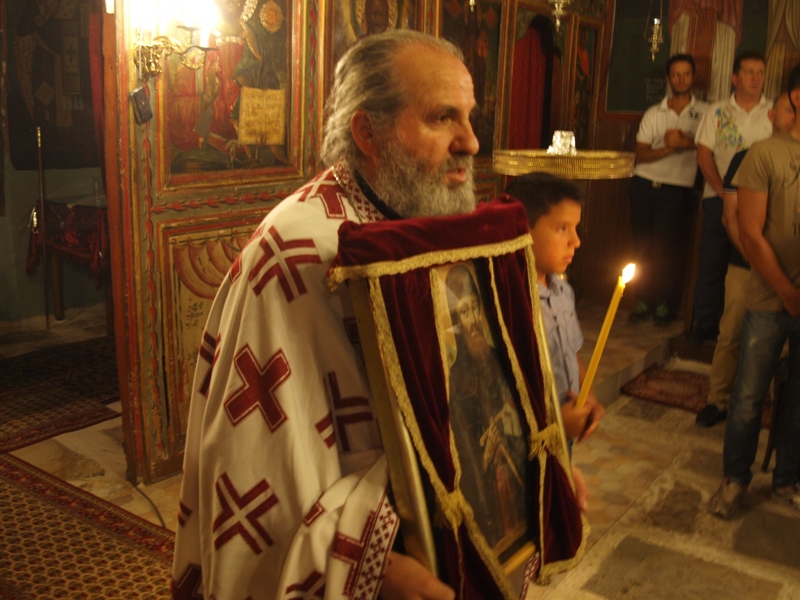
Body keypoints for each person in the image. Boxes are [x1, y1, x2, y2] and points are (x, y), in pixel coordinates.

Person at [171, 30, 479, 600]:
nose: (471, 142)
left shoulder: (424, 224)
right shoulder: (297, 255)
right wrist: (373, 565)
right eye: (443, 118)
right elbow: (264, 467)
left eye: (469, 117)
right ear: (367, 132)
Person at [708, 64, 800, 519]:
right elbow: (750, 232)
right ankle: (735, 479)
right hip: (770, 298)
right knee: (748, 397)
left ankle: (787, 479)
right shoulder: (763, 154)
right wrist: (788, 291)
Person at [503, 172, 604, 503]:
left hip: (565, 432)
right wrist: (556, 423)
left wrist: (588, 397)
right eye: (562, 229)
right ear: (522, 229)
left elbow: (573, 354)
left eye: (576, 228)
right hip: (526, 439)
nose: (576, 241)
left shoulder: (563, 292)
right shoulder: (512, 299)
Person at [696, 92, 795, 427]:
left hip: (787, 270)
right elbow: (731, 217)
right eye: (788, 110)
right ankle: (718, 399)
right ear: (772, 116)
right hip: (745, 264)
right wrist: (757, 260)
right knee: (731, 334)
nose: (793, 117)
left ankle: (776, 409)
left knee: (782, 345)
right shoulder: (746, 156)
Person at [690, 51, 774, 345]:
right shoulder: (717, 111)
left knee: (748, 265)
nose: (755, 78)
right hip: (718, 199)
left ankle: (743, 330)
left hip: (760, 204)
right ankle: (705, 326)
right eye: (749, 72)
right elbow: (703, 156)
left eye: (760, 72)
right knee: (712, 263)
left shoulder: (773, 112)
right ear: (735, 78)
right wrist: (723, 191)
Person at [445, 264, 527, 549]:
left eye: (474, 308)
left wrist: (508, 429)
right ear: (455, 320)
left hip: (515, 481)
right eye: (464, 312)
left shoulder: (499, 358)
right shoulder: (454, 379)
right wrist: (485, 454)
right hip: (487, 494)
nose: (473, 320)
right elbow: (462, 454)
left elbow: (519, 419)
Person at [628, 54, 708, 326]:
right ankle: (642, 301)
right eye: (676, 74)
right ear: (668, 78)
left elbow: (710, 146)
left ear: (693, 77)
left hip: (678, 188)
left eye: (686, 74)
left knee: (668, 250)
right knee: (642, 246)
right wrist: (669, 148)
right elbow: (640, 154)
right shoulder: (655, 112)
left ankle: (665, 306)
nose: (681, 79)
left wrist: (686, 143)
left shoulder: (705, 112)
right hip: (643, 183)